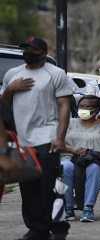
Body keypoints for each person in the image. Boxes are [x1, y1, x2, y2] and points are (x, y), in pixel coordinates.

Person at [0, 37, 72, 240]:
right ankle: (37, 228)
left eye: (31, 49)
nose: (26, 52)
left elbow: (64, 105)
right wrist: (10, 89)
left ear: (42, 52)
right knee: (28, 188)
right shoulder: (13, 74)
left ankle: (58, 227)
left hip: (47, 138)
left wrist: (60, 137)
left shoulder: (55, 74)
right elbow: (4, 105)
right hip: (23, 141)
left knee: (50, 186)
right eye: (24, 48)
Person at [61, 95, 100, 222]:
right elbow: (58, 142)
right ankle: (68, 208)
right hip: (71, 156)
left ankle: (88, 208)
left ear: (97, 109)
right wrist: (74, 150)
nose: (84, 109)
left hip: (96, 159)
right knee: (66, 167)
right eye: (82, 106)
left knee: (93, 168)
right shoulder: (70, 123)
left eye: (88, 107)